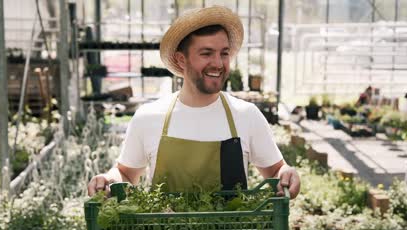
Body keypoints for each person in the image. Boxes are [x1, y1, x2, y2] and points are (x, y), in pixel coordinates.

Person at [88, 6, 300, 199]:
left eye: (224, 53)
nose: (218, 63)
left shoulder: (245, 115)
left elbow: (275, 172)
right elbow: (126, 174)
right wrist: (109, 179)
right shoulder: (149, 117)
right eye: (206, 53)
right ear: (182, 60)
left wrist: (286, 174)